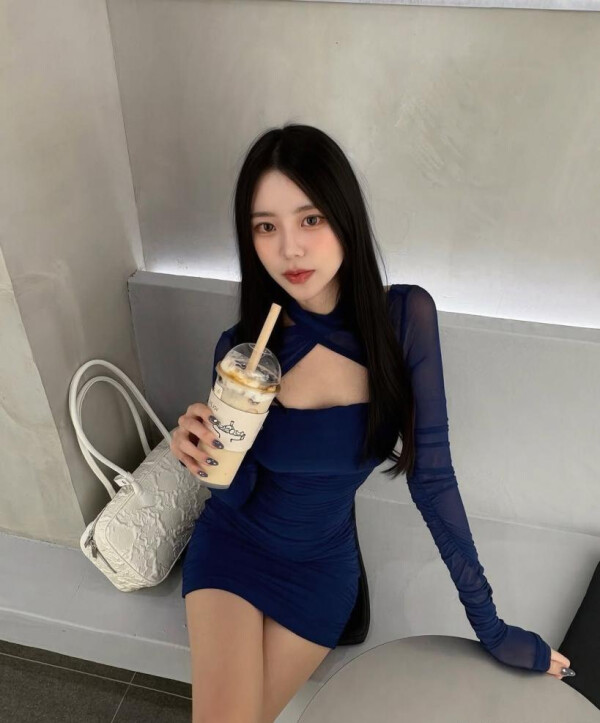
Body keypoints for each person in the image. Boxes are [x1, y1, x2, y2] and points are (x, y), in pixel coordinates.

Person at [170, 124, 570, 723]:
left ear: (345, 216)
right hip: (234, 549)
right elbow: (233, 489)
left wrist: (492, 628)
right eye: (266, 227)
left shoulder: (404, 319)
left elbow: (433, 480)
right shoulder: (244, 351)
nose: (290, 249)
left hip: (320, 569)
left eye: (310, 219)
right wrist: (201, 453)